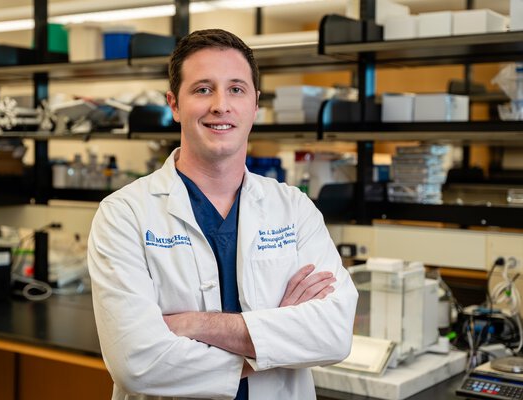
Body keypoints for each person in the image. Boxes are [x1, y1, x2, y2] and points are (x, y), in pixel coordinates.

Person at [88, 28, 358, 400]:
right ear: (174, 104)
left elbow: (333, 333)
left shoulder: (294, 209)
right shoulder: (124, 214)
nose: (221, 105)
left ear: (255, 104)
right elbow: (138, 364)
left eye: (236, 89)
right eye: (202, 89)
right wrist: (276, 344)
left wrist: (196, 325)